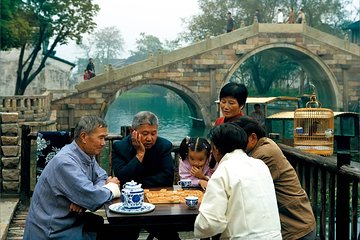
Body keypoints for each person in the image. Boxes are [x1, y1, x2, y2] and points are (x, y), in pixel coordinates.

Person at [24, 116, 121, 240]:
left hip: (69, 221)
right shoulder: (65, 162)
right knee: (123, 232)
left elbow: (101, 176)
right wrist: (111, 187)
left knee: (105, 224)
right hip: (51, 230)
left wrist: (82, 198)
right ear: (84, 137)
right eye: (101, 138)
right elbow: (94, 198)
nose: (103, 143)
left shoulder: (86, 154)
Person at [233, 116, 317, 240]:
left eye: (237, 140)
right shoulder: (264, 145)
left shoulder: (263, 155)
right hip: (293, 224)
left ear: (252, 138)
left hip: (295, 227)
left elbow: (244, 188)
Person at [194, 123, 282, 239]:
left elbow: (210, 223)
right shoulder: (260, 165)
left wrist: (197, 227)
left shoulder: (223, 171)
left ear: (216, 149)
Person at [112, 111, 179, 240]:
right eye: (145, 134)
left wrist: (135, 183)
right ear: (133, 132)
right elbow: (122, 178)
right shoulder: (120, 147)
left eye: (153, 133)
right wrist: (140, 154)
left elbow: (167, 178)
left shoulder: (163, 146)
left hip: (158, 203)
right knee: (125, 234)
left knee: (169, 235)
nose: (149, 138)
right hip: (128, 204)